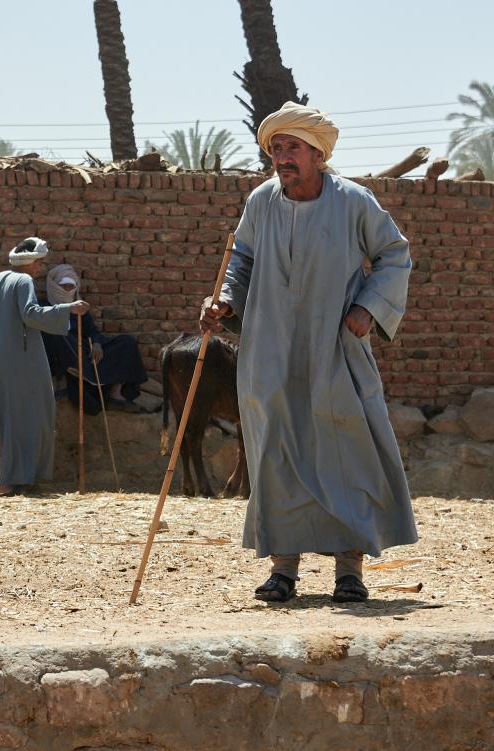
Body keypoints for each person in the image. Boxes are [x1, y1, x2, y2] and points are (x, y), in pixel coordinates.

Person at [201, 102, 417, 604]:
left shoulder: (354, 201)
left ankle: (349, 571)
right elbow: (241, 261)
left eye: (291, 147)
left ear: (318, 153)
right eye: (275, 148)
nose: (282, 156)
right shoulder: (261, 202)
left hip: (335, 346)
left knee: (347, 450)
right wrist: (224, 300)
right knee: (275, 449)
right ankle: (283, 569)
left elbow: (394, 255)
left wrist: (369, 307)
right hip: (269, 349)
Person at [0, 237, 89, 496]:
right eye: (39, 263)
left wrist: (0, 334)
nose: (41, 268)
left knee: (13, 415)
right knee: (35, 413)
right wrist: (68, 308)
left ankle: (18, 478)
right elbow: (30, 313)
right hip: (23, 356)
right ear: (30, 262)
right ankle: (13, 480)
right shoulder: (23, 281)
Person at [41, 263, 150, 414]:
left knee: (127, 342)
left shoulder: (80, 308)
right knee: (60, 336)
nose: (67, 291)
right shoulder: (43, 309)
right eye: (63, 286)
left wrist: (97, 344)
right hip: (67, 358)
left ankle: (115, 394)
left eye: (70, 287)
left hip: (87, 356)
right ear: (54, 287)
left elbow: (92, 331)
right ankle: (81, 376)